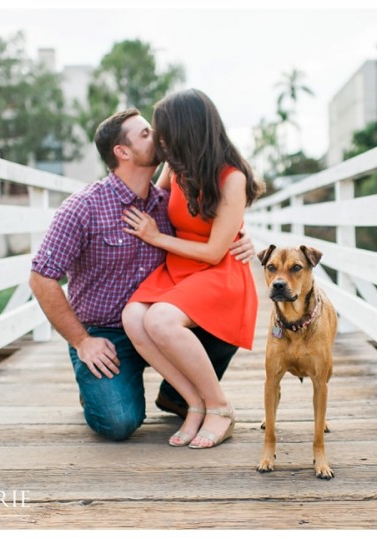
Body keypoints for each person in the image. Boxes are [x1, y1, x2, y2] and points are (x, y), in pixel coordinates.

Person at [29, 107, 254, 442]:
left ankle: (181, 398)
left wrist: (240, 238)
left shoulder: (165, 203)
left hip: (158, 320)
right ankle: (96, 387)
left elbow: (209, 222)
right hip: (106, 334)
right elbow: (41, 277)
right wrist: (82, 341)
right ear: (123, 152)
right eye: (146, 134)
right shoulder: (83, 207)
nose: (158, 136)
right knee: (119, 423)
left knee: (219, 316)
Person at [121, 89, 261, 449]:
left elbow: (215, 252)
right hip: (180, 265)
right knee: (134, 316)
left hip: (217, 270)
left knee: (160, 320)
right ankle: (194, 403)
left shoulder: (232, 178)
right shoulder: (177, 168)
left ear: (187, 131)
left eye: (165, 132)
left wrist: (156, 238)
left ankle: (220, 406)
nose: (161, 141)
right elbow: (151, 201)